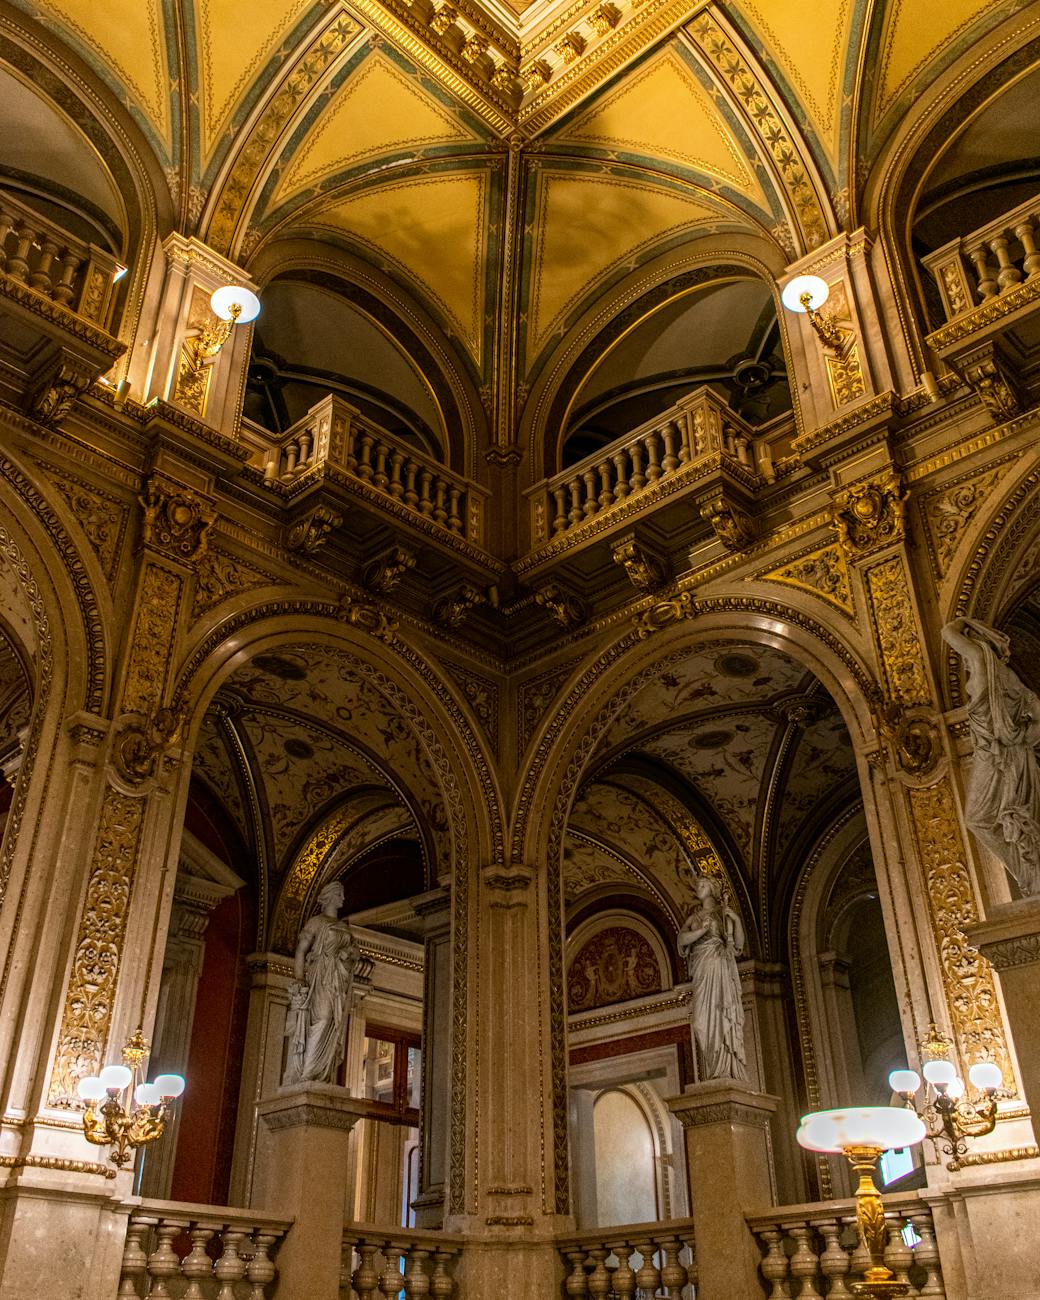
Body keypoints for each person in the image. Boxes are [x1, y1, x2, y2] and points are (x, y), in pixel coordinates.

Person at [941, 618, 1040, 897]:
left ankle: (1031, 875)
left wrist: (964, 620)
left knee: (979, 818)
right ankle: (1031, 876)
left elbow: (947, 631)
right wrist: (1021, 738)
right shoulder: (1015, 684)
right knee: (987, 819)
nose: (965, 661)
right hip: (1004, 754)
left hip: (999, 757)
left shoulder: (983, 664)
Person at [283, 879, 359, 1086]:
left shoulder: (344, 927)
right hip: (320, 976)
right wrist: (299, 979)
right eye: (339, 894)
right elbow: (301, 950)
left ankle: (321, 1074)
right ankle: (308, 1072)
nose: (342, 898)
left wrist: (348, 953)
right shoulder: (316, 922)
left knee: (333, 1024)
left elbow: (355, 952)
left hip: (338, 979)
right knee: (322, 1019)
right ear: (329, 897)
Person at [678, 875, 748, 1081]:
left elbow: (737, 945)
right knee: (700, 1020)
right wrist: (701, 930)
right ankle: (714, 1066)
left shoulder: (722, 913)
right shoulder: (694, 917)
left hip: (718, 964)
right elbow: (681, 939)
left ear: (712, 888)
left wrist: (734, 919)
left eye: (702, 885)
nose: (698, 888)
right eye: (698, 885)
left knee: (720, 1011)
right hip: (701, 968)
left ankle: (725, 1067)